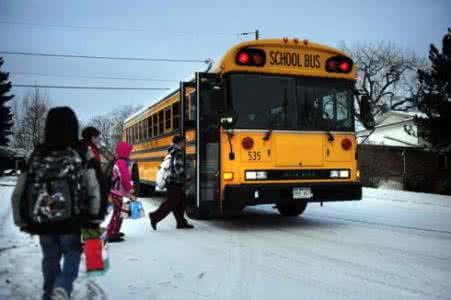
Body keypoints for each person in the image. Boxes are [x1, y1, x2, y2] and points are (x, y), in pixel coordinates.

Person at [11, 107, 102, 300]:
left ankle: (48, 292)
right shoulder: (81, 152)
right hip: (72, 217)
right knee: (72, 252)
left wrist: (21, 219)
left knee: (50, 257)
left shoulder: (36, 153)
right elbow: (93, 185)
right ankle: (63, 286)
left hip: (42, 218)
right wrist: (94, 215)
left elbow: (20, 190)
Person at [149, 135, 194, 230]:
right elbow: (178, 167)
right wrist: (186, 176)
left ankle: (181, 222)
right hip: (175, 181)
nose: (185, 144)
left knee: (180, 201)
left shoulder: (172, 151)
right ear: (180, 142)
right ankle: (154, 216)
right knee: (172, 202)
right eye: (184, 142)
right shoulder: (178, 153)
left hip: (172, 181)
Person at [106, 141, 134, 242]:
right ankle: (112, 234)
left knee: (118, 213)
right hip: (117, 192)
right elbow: (125, 179)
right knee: (118, 213)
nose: (130, 152)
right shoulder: (122, 163)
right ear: (125, 151)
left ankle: (113, 230)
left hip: (116, 192)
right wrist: (130, 191)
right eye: (129, 151)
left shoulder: (119, 161)